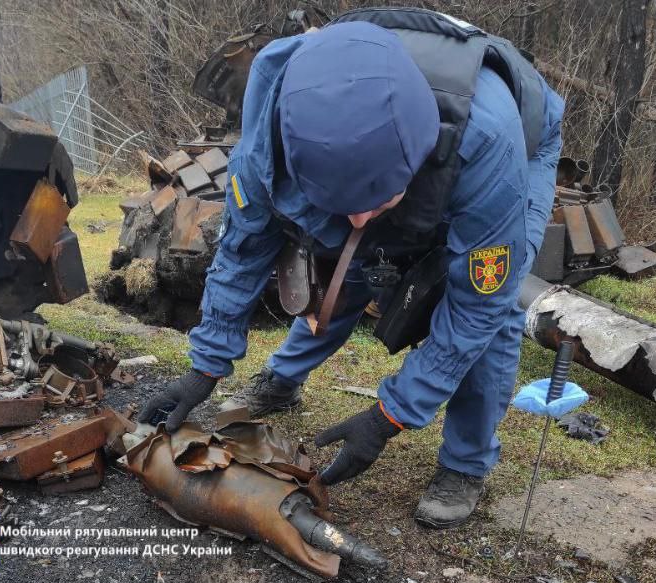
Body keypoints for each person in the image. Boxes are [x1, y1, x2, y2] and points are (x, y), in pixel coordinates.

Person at [139, 8, 564, 529]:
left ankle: (466, 464)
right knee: (349, 261)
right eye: (347, 204)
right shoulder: (274, 117)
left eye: (376, 200)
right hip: (399, 147)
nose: (361, 218)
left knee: (490, 313)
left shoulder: (487, 139)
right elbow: (244, 246)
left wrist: (390, 416)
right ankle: (283, 378)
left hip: (522, 139)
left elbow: (478, 307)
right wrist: (204, 365)